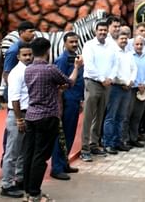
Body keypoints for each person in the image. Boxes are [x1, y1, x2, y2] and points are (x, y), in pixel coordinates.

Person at [22, 37, 82, 202]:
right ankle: (35, 194)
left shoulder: (28, 70)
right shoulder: (50, 69)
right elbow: (69, 82)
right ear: (48, 50)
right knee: (40, 156)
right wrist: (76, 67)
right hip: (48, 116)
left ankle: (28, 190)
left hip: (31, 115)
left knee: (30, 153)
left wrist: (56, 88)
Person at [80, 20, 117, 161]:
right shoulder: (89, 45)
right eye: (100, 30)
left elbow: (115, 64)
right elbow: (89, 65)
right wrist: (102, 78)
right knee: (89, 116)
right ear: (95, 31)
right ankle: (84, 148)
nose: (102, 32)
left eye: (104, 30)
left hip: (107, 84)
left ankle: (94, 144)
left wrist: (110, 78)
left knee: (100, 115)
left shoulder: (111, 46)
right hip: (93, 82)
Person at [0, 42, 33, 198]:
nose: (28, 57)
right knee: (12, 152)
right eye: (24, 55)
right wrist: (19, 119)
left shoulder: (30, 70)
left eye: (30, 54)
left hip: (28, 114)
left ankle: (19, 179)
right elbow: (14, 99)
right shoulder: (16, 73)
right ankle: (6, 185)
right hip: (17, 115)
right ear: (18, 56)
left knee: (23, 151)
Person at [50, 31, 82, 179]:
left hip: (75, 101)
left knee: (70, 134)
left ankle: (64, 163)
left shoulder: (75, 59)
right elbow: (59, 84)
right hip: (66, 102)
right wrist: (60, 105)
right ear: (64, 43)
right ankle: (56, 168)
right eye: (71, 42)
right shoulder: (62, 60)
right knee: (61, 135)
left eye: (76, 42)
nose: (74, 44)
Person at [103, 28, 136, 153]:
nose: (124, 40)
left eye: (126, 39)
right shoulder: (113, 53)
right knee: (111, 116)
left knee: (122, 117)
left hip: (127, 88)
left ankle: (118, 142)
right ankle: (108, 143)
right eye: (121, 38)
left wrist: (131, 81)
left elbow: (134, 69)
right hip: (116, 87)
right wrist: (124, 82)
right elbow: (113, 71)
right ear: (117, 40)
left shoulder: (128, 53)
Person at [125, 35, 145, 148]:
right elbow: (127, 72)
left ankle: (134, 138)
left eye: (141, 44)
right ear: (133, 45)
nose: (139, 46)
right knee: (127, 115)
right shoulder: (129, 57)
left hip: (142, 89)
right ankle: (125, 139)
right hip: (131, 89)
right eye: (137, 44)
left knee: (137, 115)